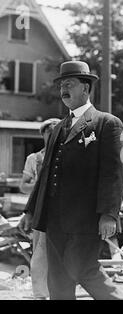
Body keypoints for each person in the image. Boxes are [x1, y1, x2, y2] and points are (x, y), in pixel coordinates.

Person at [19, 61, 123, 300]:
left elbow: (115, 173)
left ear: (86, 89)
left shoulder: (107, 123)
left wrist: (109, 214)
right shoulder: (58, 127)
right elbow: (46, 173)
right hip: (54, 220)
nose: (63, 90)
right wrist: (30, 211)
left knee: (85, 270)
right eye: (61, 85)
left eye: (69, 84)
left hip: (85, 219)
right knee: (58, 278)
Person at [20, 118, 60, 300]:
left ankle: (58, 291)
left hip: (63, 212)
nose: (51, 135)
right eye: (48, 132)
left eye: (56, 132)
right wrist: (40, 185)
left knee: (61, 252)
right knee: (40, 252)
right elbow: (23, 186)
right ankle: (40, 293)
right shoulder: (35, 158)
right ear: (43, 135)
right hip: (40, 210)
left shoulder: (67, 157)